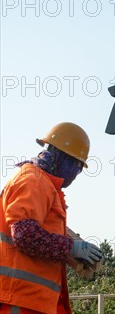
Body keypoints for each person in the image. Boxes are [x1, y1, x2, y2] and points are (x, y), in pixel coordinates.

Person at [0, 122, 103, 314]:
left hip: (31, 300)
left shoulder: (44, 185)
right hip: (19, 300)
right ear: (63, 158)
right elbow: (25, 235)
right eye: (77, 166)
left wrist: (76, 252)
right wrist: (72, 248)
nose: (76, 174)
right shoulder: (33, 181)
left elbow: (39, 235)